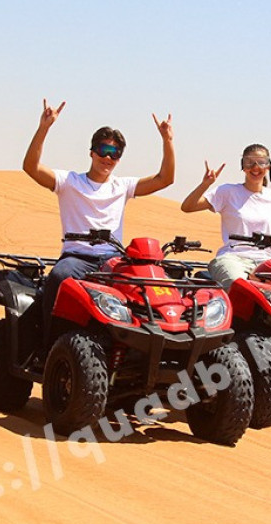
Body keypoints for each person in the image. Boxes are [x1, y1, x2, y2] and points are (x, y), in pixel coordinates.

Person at [22, 99, 175, 349]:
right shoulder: (69, 182)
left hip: (112, 259)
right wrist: (44, 127)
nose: (108, 157)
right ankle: (48, 348)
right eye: (103, 150)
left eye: (114, 153)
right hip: (76, 258)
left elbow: (165, 179)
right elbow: (31, 167)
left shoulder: (122, 186)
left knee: (146, 286)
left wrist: (167, 140)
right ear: (92, 152)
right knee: (59, 277)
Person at [179, 144, 271, 287]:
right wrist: (205, 184)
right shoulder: (227, 192)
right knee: (239, 287)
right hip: (233, 258)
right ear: (243, 166)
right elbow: (188, 207)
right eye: (250, 162)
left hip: (266, 263)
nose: (256, 167)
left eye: (261, 162)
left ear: (268, 167)